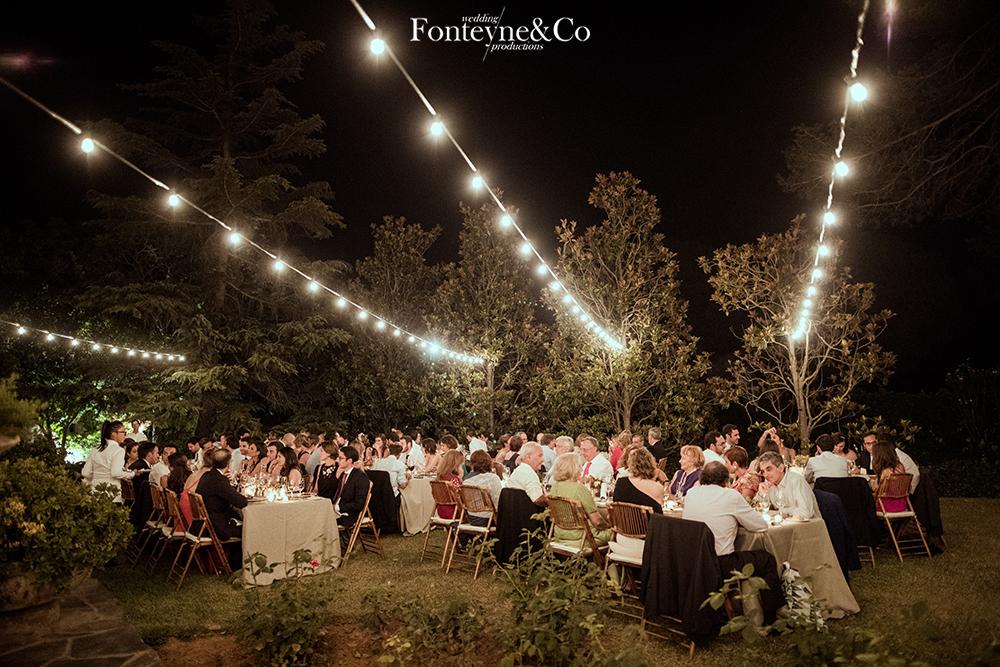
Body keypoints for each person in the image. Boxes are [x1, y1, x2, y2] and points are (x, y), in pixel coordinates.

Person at [683, 462, 785, 625]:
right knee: (766, 560)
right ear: (725, 480)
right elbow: (760, 525)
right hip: (720, 565)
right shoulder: (730, 496)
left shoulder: (691, 493)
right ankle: (772, 618)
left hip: (692, 561)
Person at [548, 452, 612, 547]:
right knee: (619, 531)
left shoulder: (554, 487)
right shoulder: (579, 489)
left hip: (560, 535)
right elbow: (597, 522)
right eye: (579, 466)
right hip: (584, 538)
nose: (581, 470)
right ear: (573, 469)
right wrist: (610, 525)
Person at [195, 450, 248, 547]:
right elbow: (241, 502)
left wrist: (229, 483)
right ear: (228, 464)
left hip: (205, 524)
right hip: (218, 527)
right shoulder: (219, 480)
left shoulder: (207, 475)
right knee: (251, 529)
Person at [81, 420, 134, 502]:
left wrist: (98, 477)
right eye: (123, 432)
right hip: (112, 495)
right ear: (113, 434)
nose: (125, 435)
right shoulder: (118, 450)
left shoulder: (95, 450)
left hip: (95, 494)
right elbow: (116, 473)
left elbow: (85, 472)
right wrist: (132, 474)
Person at [757, 452, 819, 519]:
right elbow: (757, 509)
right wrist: (761, 494)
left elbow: (806, 512)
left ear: (781, 468)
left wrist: (782, 511)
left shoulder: (796, 481)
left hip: (810, 524)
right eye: (763, 472)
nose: (765, 475)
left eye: (769, 469)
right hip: (784, 523)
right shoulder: (768, 484)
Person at [612, 447, 664, 513]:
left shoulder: (620, 483)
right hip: (648, 520)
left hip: (623, 519)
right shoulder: (658, 488)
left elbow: (615, 508)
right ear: (651, 464)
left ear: (631, 465)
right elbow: (659, 514)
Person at [463, 450, 503, 527]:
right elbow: (499, 501)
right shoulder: (493, 478)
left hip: (472, 518)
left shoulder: (466, 482)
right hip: (489, 519)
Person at [333, 446, 370, 527]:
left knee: (321, 520)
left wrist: (338, 507)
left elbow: (359, 504)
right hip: (336, 510)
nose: (337, 460)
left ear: (349, 461)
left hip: (348, 514)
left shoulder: (360, 477)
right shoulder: (343, 474)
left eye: (341, 458)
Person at [869, 441, 909, 512]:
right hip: (901, 505)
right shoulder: (900, 466)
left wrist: (873, 485)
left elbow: (881, 493)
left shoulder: (886, 472)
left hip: (886, 507)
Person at [506, 441, 547, 506]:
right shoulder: (529, 473)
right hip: (527, 511)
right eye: (540, 456)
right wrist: (552, 502)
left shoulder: (519, 470)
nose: (543, 459)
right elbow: (538, 499)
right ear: (528, 457)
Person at [434, 450, 465, 520]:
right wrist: (460, 478)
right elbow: (461, 498)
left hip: (441, 511)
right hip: (454, 512)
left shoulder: (440, 477)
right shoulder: (454, 479)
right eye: (460, 465)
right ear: (456, 465)